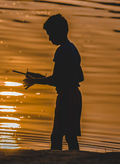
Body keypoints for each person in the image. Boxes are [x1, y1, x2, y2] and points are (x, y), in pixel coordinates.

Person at [23, 14, 84, 150]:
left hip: (66, 98)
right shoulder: (72, 48)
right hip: (75, 96)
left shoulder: (61, 51)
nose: (49, 38)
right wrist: (38, 77)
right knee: (70, 135)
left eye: (50, 34)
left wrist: (36, 81)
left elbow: (56, 80)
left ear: (59, 32)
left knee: (57, 136)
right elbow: (78, 77)